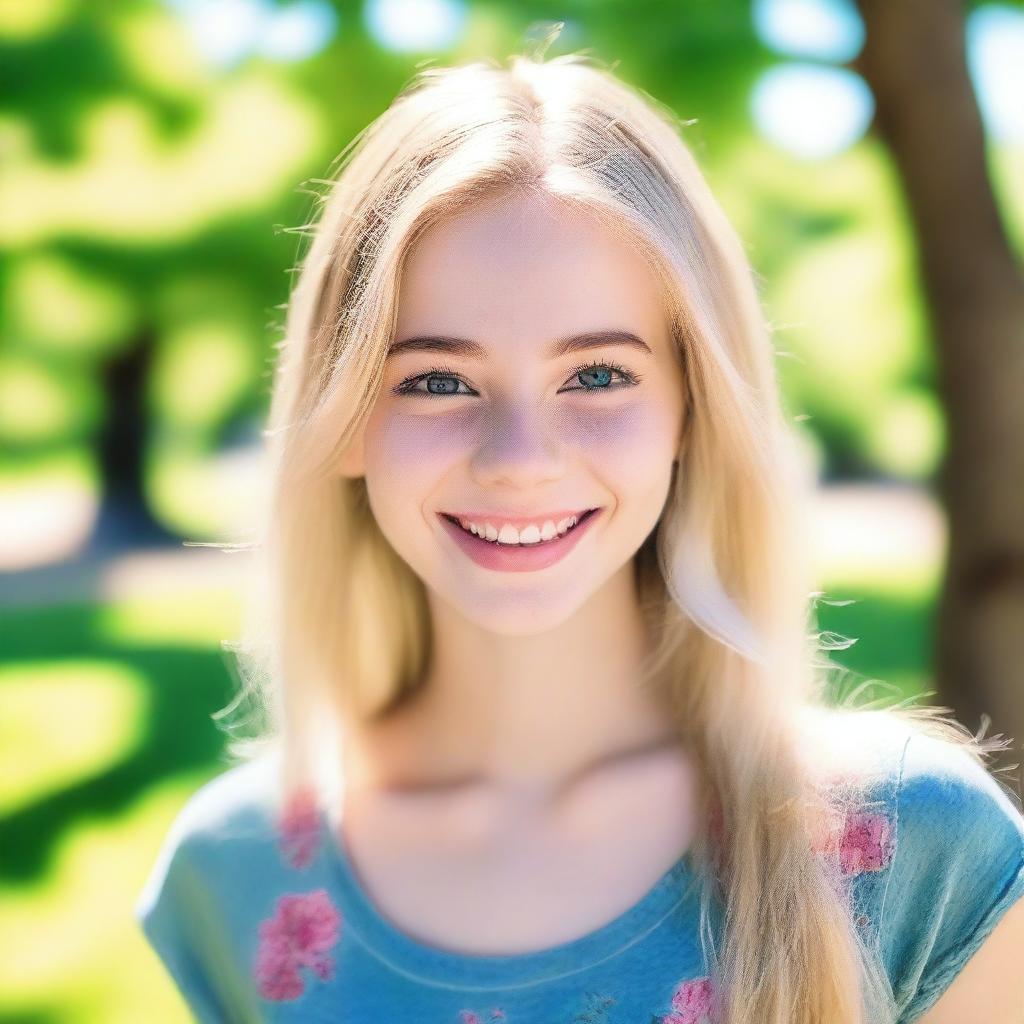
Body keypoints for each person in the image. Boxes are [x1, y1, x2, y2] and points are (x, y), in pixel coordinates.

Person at [134, 42, 1024, 1024]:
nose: (520, 456)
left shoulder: (913, 847)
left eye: (596, 375)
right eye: (435, 379)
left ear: (693, 406)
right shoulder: (236, 871)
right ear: (343, 418)